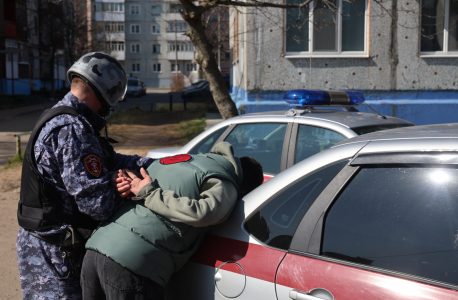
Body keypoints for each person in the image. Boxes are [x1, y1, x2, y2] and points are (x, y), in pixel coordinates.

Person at [16, 52, 154, 300]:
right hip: (53, 254)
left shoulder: (61, 115)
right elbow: (98, 205)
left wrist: (153, 165)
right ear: (104, 93)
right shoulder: (73, 129)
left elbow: (107, 159)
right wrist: (127, 187)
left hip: (43, 246)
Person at [81, 141, 264, 300]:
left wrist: (117, 177)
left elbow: (131, 179)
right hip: (133, 263)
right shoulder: (225, 181)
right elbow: (204, 213)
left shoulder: (182, 160)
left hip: (95, 250)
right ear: (243, 190)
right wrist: (151, 193)